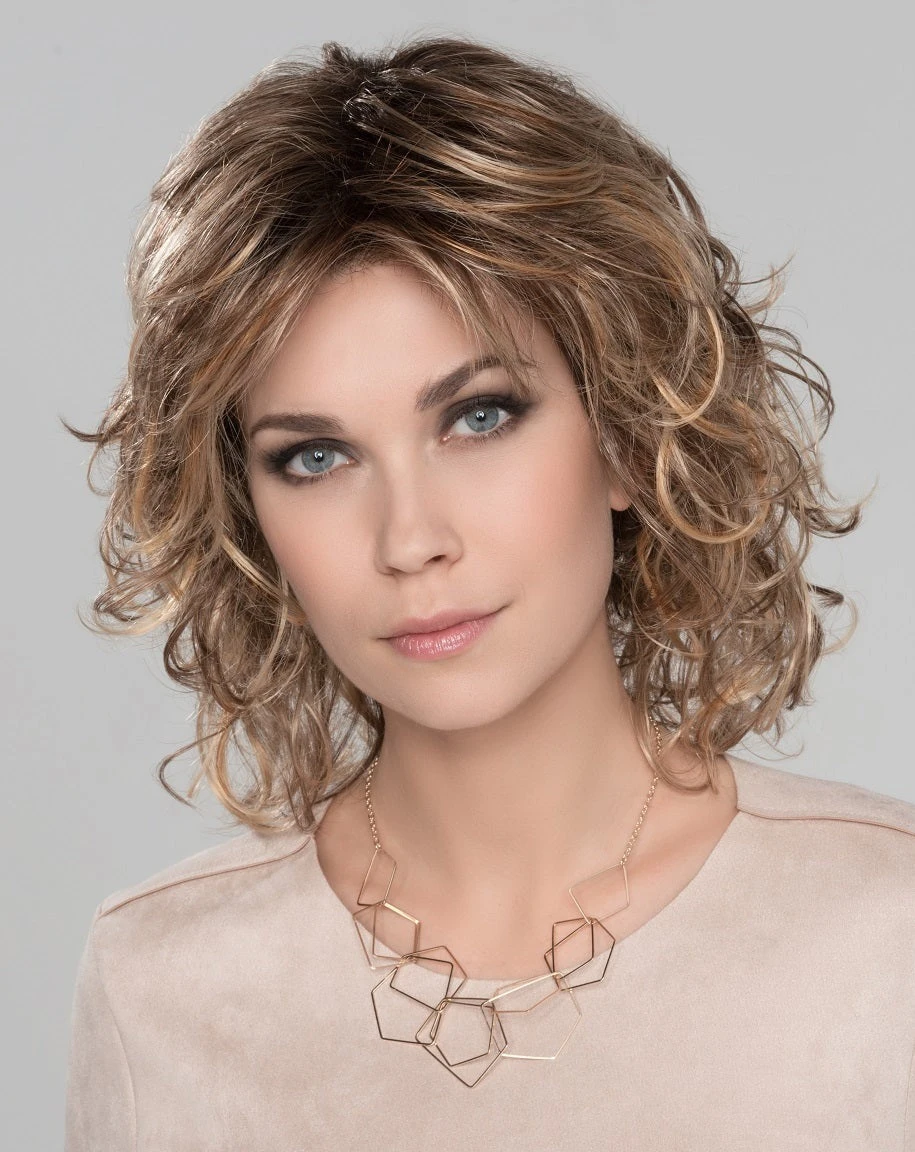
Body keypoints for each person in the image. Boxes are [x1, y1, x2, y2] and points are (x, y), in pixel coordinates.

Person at [63, 33, 915, 1151]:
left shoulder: (885, 939)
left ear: (626, 435)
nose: (410, 541)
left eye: (479, 417)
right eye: (315, 457)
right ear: (250, 515)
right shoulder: (162, 990)